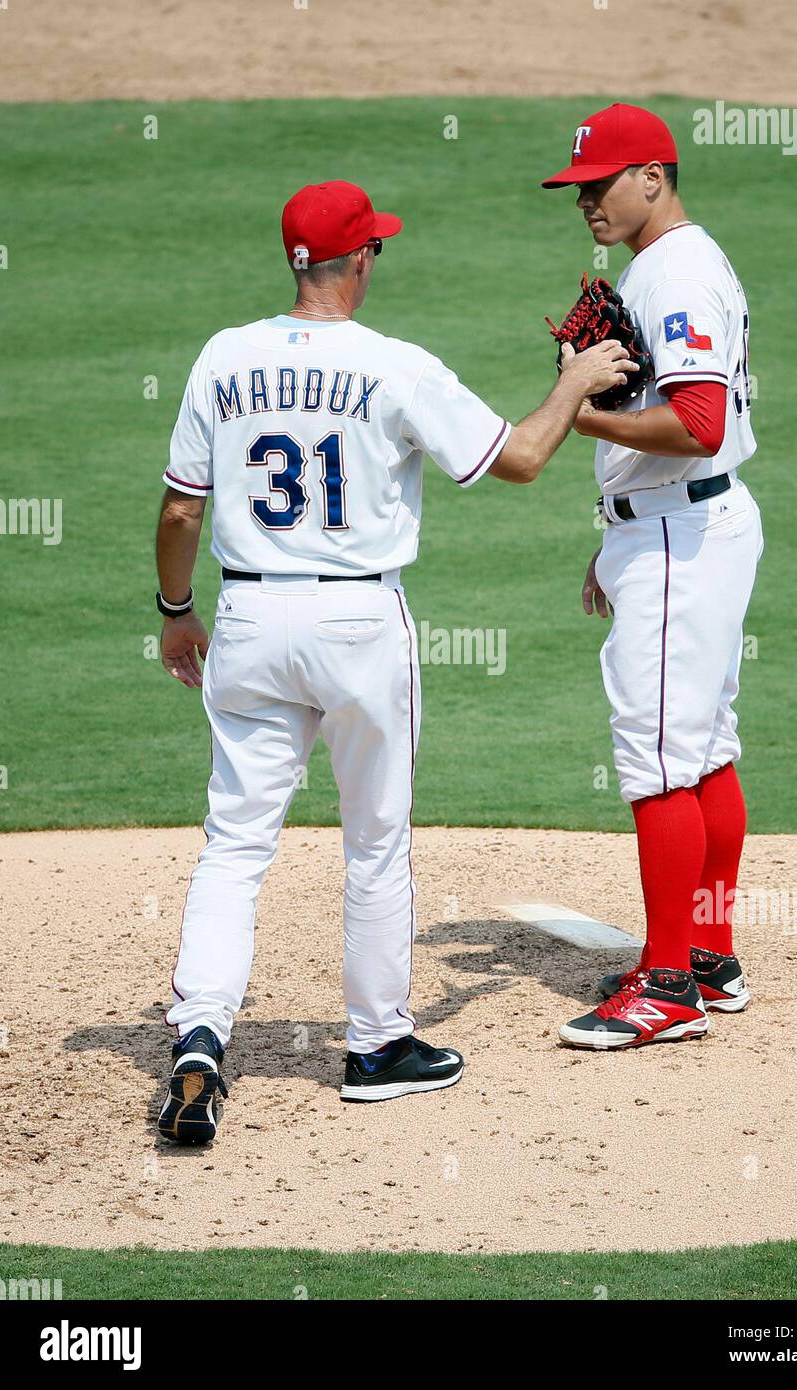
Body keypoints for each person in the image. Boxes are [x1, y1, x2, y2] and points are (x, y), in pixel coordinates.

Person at [154, 179, 636, 1139]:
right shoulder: (394, 366)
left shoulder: (222, 357)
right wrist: (574, 386)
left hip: (247, 616)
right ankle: (378, 1047)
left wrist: (176, 611)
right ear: (361, 260)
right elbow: (523, 458)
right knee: (375, 841)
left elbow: (180, 510)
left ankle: (201, 1037)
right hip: (358, 626)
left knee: (235, 843)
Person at [540, 106, 764, 1051]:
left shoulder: (672, 273)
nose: (586, 199)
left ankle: (668, 985)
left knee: (659, 757)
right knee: (703, 745)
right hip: (684, 524)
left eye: (602, 183)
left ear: (655, 177)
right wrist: (619, 531)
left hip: (683, 531)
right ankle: (705, 955)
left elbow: (699, 422)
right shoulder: (668, 261)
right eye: (579, 187)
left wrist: (582, 420)